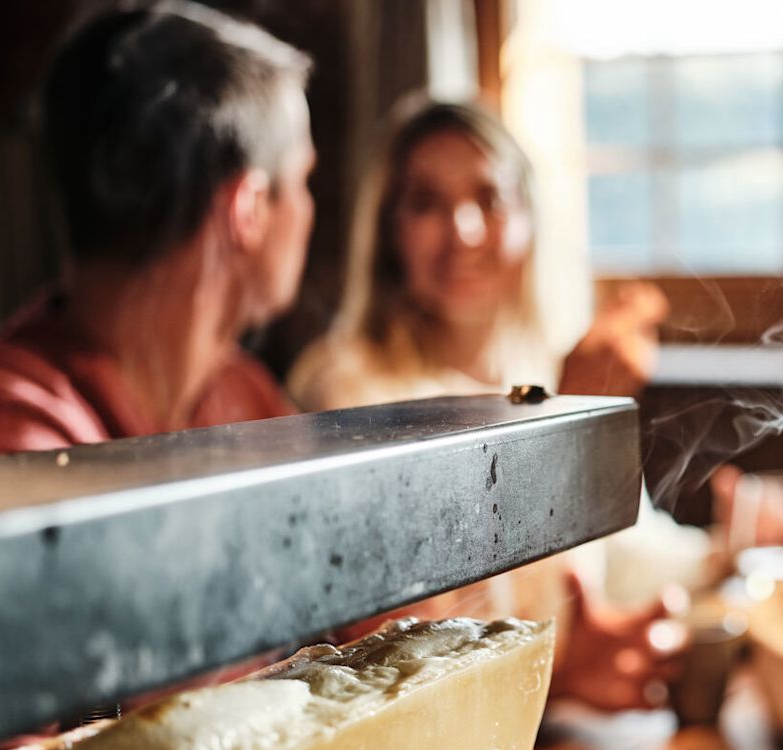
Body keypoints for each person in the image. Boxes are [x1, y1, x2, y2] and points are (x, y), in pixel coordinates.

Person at [289, 97, 705, 710]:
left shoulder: (535, 371)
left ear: (529, 220)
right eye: (426, 204)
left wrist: (741, 548)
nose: (464, 232)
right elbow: (417, 640)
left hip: (559, 737)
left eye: (488, 198)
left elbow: (626, 553)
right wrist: (567, 424)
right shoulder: (348, 389)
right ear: (388, 231)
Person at [0, 2, 312, 454]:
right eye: (303, 180)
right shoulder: (15, 429)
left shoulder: (246, 395)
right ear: (248, 210)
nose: (307, 208)